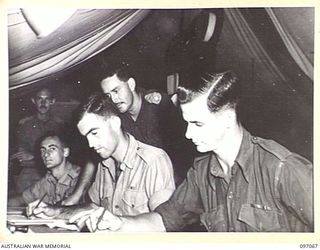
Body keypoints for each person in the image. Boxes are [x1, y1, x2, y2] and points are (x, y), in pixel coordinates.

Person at [82, 70, 313, 232]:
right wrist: (120, 224)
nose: (188, 134)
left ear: (227, 118)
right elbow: (164, 220)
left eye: (198, 124)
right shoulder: (201, 173)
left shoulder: (281, 168)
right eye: (187, 123)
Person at [28, 93, 175, 229]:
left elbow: (163, 221)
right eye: (86, 137)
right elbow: (93, 207)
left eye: (94, 133)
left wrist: (119, 223)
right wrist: (55, 211)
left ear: (115, 123)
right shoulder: (104, 164)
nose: (91, 144)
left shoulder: (154, 160)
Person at [62, 63, 194, 206]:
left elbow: (183, 154)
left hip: (176, 188)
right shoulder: (115, 117)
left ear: (131, 84)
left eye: (116, 90)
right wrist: (77, 194)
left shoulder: (158, 106)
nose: (113, 99)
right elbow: (94, 157)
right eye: (108, 95)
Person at [9, 88, 64, 194]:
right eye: (39, 99)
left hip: (54, 171)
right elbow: (22, 156)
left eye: (47, 99)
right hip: (30, 171)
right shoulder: (24, 124)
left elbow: (64, 154)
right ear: (33, 101)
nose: (43, 103)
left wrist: (34, 156)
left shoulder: (61, 125)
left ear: (53, 101)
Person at [8, 132, 81, 207]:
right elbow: (21, 199)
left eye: (52, 149)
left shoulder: (79, 178)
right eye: (43, 150)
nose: (46, 154)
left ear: (65, 152)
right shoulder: (48, 180)